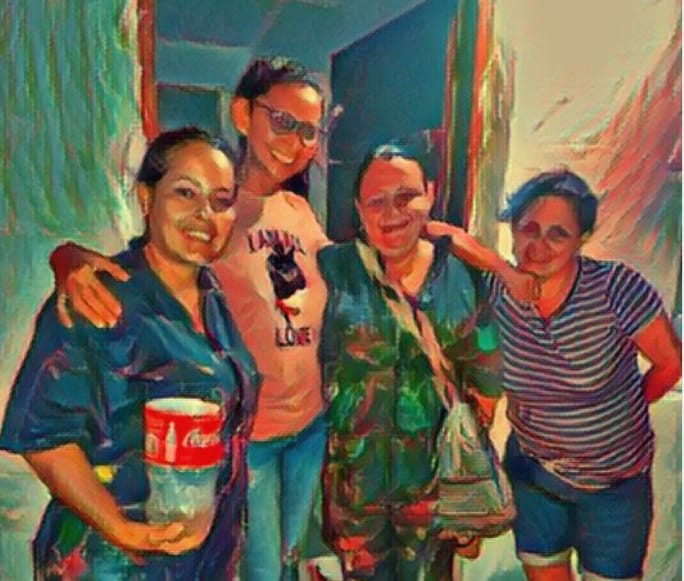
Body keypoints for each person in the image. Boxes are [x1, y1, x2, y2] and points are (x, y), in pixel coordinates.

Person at [48, 57, 537, 580]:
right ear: (243, 114)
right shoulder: (218, 207)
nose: (296, 142)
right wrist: (70, 259)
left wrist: (482, 256)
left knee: (287, 560)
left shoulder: (299, 211)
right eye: (283, 122)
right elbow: (157, 262)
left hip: (310, 425)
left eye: (309, 131)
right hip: (252, 432)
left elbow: (378, 252)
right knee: (260, 566)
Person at [0, 127, 259, 579]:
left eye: (221, 201)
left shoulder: (211, 296)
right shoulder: (96, 297)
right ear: (146, 197)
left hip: (201, 557)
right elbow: (46, 438)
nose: (205, 214)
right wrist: (123, 531)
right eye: (185, 193)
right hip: (113, 560)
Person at [317, 144, 504, 580]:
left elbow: (486, 377)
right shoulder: (331, 270)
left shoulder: (463, 277)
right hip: (355, 494)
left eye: (406, 197)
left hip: (433, 495)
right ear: (358, 208)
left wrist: (467, 491)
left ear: (430, 194)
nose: (391, 214)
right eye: (376, 202)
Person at [488, 170, 682, 581]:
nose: (539, 246)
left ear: (582, 238)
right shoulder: (495, 292)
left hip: (614, 485)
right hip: (534, 474)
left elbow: (670, 364)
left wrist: (621, 412)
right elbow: (441, 240)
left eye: (558, 234)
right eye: (529, 229)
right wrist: (497, 267)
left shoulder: (616, 289)